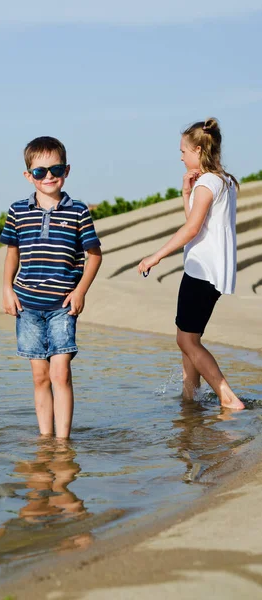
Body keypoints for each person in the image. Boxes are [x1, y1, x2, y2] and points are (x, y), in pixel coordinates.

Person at [138, 118, 244, 410]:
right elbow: (198, 225)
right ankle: (191, 401)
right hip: (212, 272)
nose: (181, 156)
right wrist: (186, 194)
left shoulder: (208, 183)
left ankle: (228, 398)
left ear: (198, 150)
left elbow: (192, 229)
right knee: (189, 338)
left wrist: (156, 256)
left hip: (201, 271)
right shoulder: (223, 181)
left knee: (187, 341)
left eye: (183, 151)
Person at [0, 136, 102, 438]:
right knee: (40, 377)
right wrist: (7, 288)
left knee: (61, 373)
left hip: (62, 306)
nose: (48, 177)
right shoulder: (17, 210)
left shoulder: (78, 211)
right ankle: (45, 439)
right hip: (27, 305)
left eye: (55, 169)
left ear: (67, 170)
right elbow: (11, 254)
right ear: (27, 175)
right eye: (39, 171)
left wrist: (80, 290)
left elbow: (94, 255)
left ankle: (63, 442)